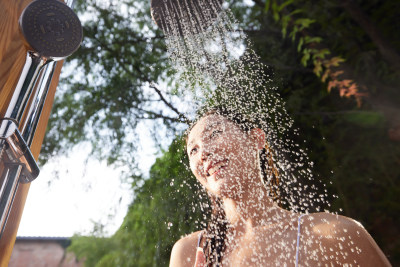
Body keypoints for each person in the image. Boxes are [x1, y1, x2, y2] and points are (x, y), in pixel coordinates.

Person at [169, 107, 391, 267]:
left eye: (214, 134)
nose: (203, 152)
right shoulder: (189, 253)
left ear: (256, 139)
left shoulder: (334, 234)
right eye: (193, 150)